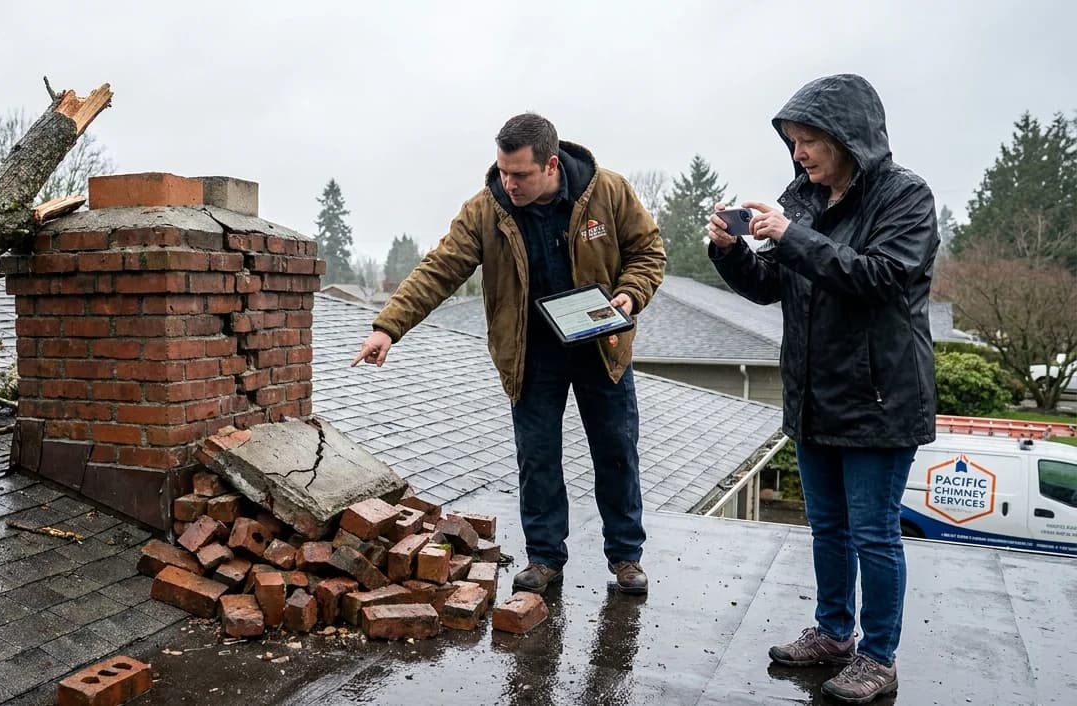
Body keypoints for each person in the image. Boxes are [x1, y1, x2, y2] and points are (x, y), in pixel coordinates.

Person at [352, 113, 666, 595]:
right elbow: (440, 269)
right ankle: (544, 558)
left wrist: (629, 294)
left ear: (551, 165)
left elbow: (648, 252)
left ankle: (626, 556)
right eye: (502, 171)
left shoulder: (608, 192)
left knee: (617, 451)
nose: (509, 183)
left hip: (600, 347)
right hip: (530, 353)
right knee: (537, 458)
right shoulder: (486, 210)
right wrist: (387, 328)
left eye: (520, 174)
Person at [706, 74, 938, 703]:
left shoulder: (905, 196)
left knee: (874, 533)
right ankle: (834, 633)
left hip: (880, 398)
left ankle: (878, 656)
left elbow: (880, 277)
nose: (799, 152)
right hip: (813, 395)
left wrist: (791, 234)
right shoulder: (802, 199)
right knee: (828, 527)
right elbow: (770, 285)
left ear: (847, 137)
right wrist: (730, 251)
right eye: (793, 141)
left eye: (809, 140)